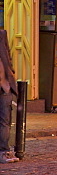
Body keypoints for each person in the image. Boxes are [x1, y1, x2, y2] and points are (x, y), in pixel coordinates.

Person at [0, 28, 19, 163]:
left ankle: (4, 152)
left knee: (5, 121)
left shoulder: (1, 34)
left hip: (4, 85)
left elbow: (7, 56)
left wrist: (10, 73)